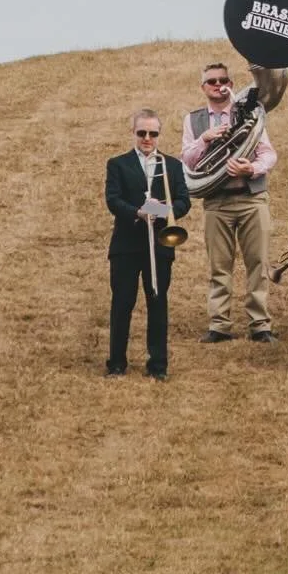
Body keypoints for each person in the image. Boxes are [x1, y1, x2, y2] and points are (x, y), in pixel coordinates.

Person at [180, 62, 278, 343]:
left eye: (224, 80)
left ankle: (260, 325)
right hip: (216, 201)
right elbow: (186, 161)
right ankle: (219, 325)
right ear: (203, 88)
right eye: (212, 81)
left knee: (258, 263)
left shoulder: (248, 112)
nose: (218, 85)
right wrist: (204, 140)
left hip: (251, 198)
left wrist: (252, 169)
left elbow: (269, 154)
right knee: (219, 266)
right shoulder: (194, 120)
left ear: (231, 84)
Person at [105, 109, 192, 380]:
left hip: (160, 243)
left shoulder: (173, 165)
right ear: (133, 132)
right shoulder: (117, 164)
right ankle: (117, 363)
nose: (147, 138)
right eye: (142, 132)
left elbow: (183, 201)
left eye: (153, 133)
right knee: (122, 304)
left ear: (158, 135)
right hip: (127, 246)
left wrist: (164, 210)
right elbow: (113, 199)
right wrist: (137, 212)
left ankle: (158, 366)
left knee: (158, 304)